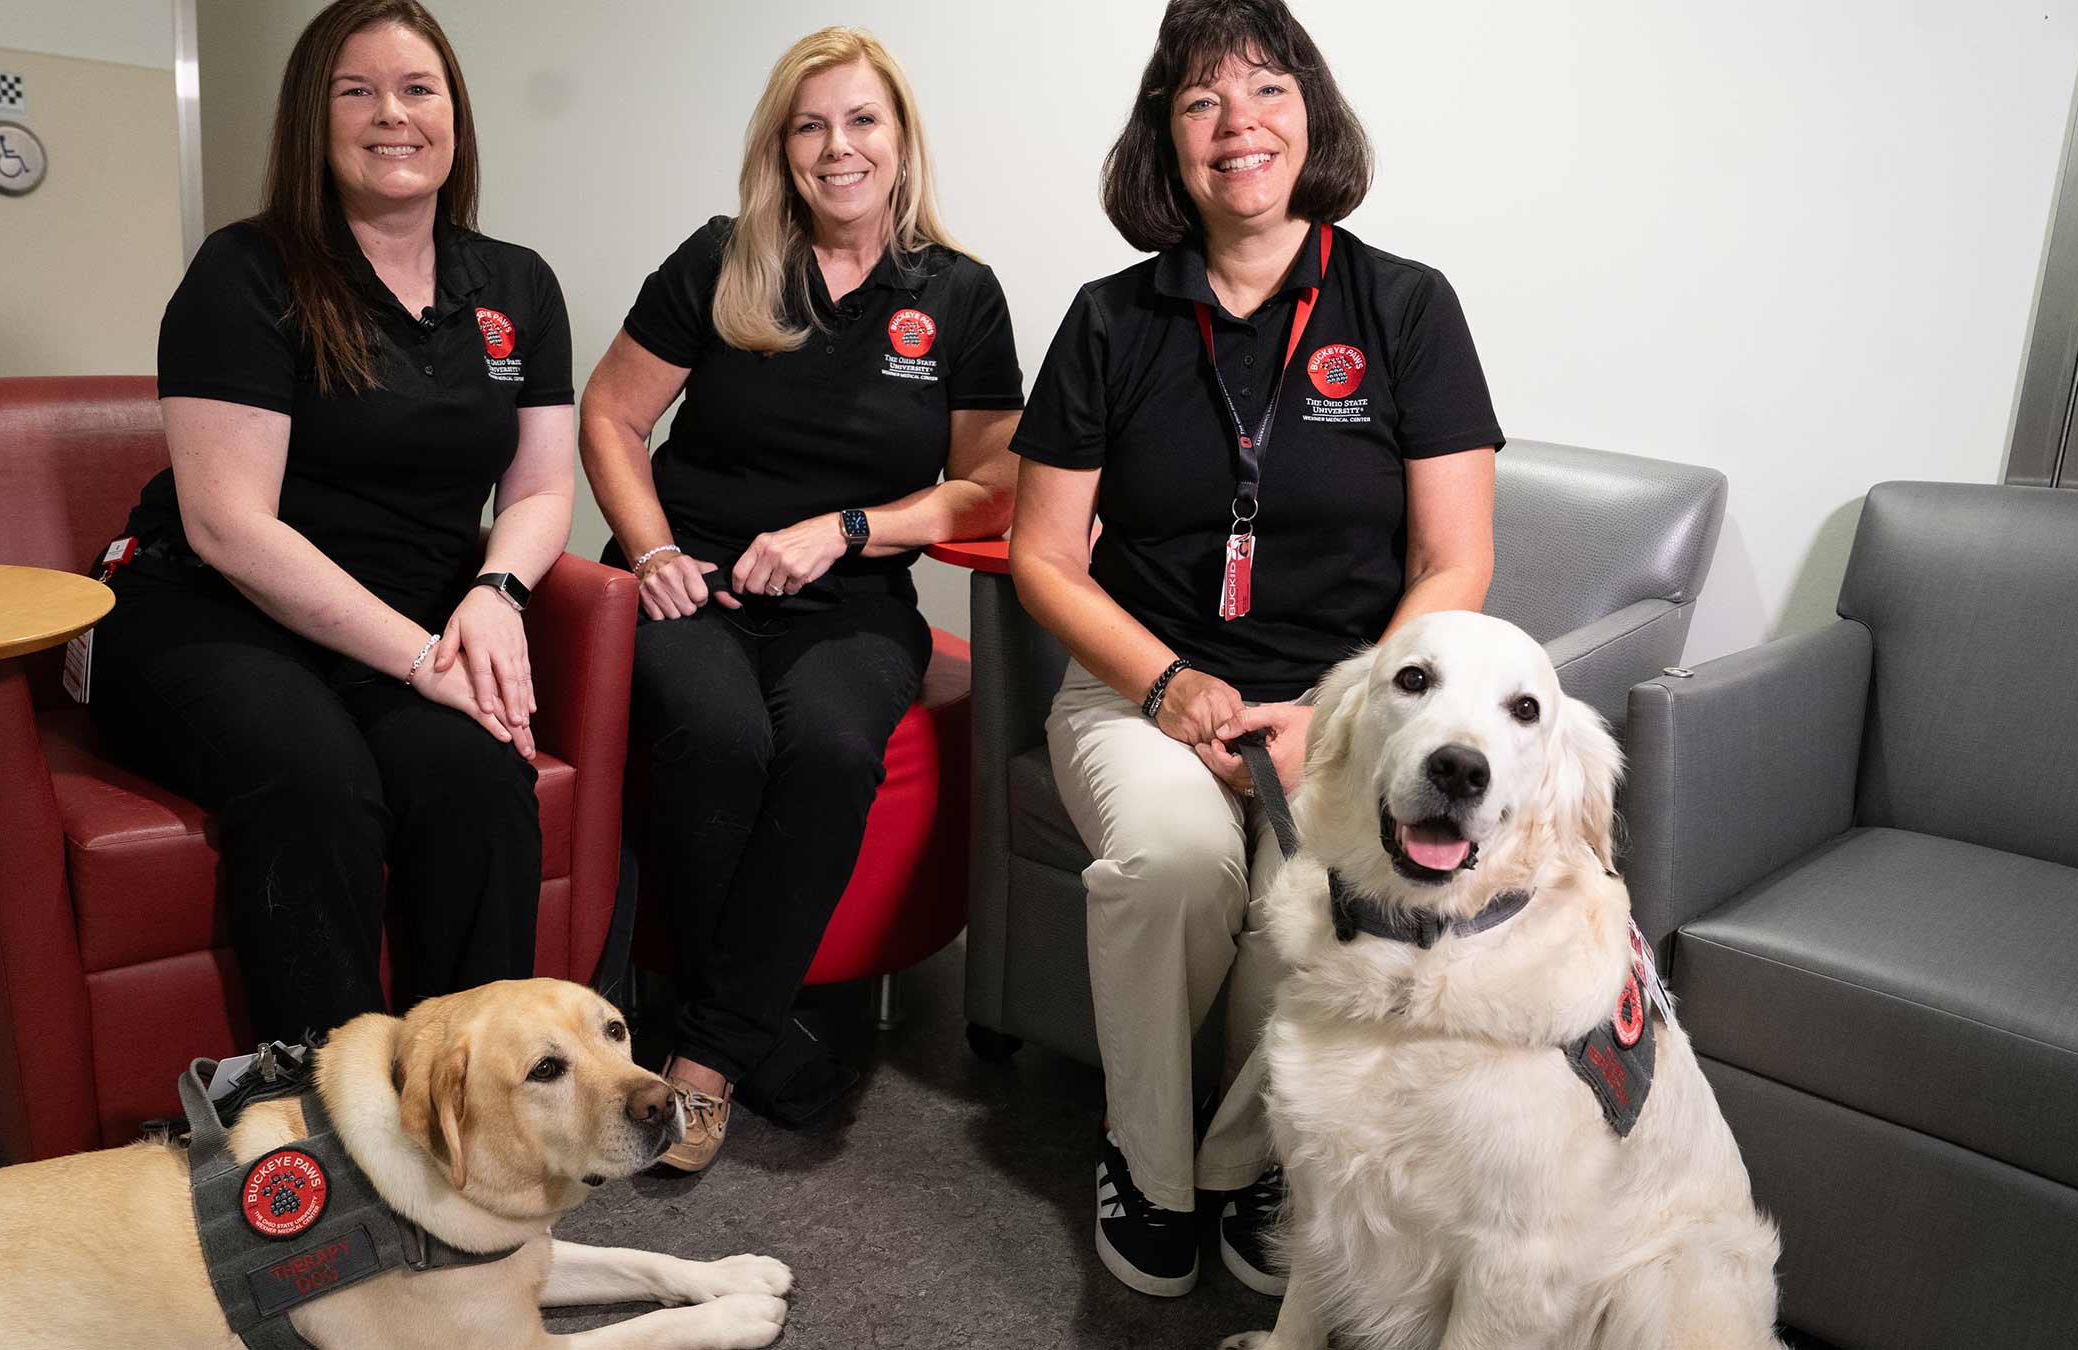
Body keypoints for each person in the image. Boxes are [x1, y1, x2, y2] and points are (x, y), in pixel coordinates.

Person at [1010, 0, 1502, 1299]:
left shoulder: (1404, 307)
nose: (1239, 124)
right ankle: (1149, 1167)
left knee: (1324, 889)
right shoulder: (1112, 321)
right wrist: (1167, 684)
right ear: (1165, 144)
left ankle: (1252, 1159)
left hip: (1339, 709)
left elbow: (1453, 562)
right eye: (1201, 101)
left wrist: (1343, 716)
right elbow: (1043, 556)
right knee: (1172, 859)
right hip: (1139, 689)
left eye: (1268, 90)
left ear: (1314, 115)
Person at [88, 0, 577, 1045]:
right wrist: (423, 659)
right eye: (356, 91)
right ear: (315, 117)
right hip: (210, 609)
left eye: (417, 89)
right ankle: (327, 1128)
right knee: (318, 784)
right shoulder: (246, 270)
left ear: (456, 115)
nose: (390, 115)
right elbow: (229, 527)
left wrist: (494, 596)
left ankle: (471, 1113)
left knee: (482, 789)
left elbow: (538, 491)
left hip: (398, 621)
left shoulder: (519, 286)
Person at [579, 27, 1022, 1174]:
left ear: (900, 138)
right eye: (812, 124)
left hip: (853, 598)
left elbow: (991, 488)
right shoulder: (721, 260)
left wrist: (851, 527)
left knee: (828, 746)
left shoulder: (958, 294)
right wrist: (653, 546)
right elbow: (611, 416)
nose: (839, 147)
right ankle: (755, 1040)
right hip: (698, 585)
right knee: (719, 735)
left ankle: (707, 1049)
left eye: (862, 120)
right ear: (782, 147)